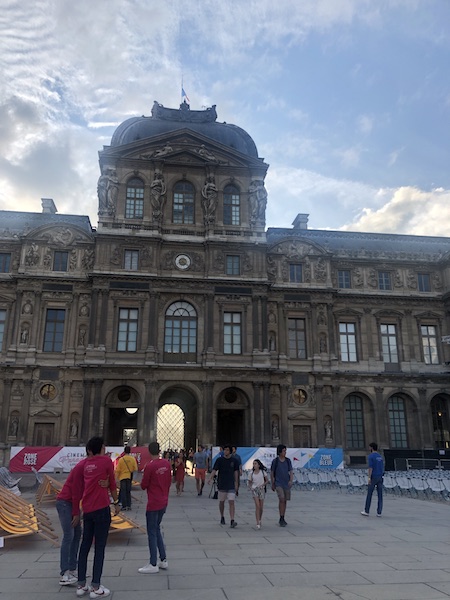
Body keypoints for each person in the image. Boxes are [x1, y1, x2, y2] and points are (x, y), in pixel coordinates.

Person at [76, 437, 120, 598]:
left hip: (87, 509)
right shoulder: (106, 461)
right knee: (99, 548)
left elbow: (82, 484)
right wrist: (116, 502)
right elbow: (113, 484)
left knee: (85, 546)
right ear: (101, 447)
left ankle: (81, 585)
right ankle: (95, 587)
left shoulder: (84, 464)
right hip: (101, 508)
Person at [139, 442, 172, 574]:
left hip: (153, 503)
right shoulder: (166, 464)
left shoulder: (150, 466)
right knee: (156, 529)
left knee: (151, 532)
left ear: (149, 451)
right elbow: (169, 481)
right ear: (159, 451)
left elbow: (143, 485)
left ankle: (153, 563)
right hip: (164, 501)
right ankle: (163, 559)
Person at [56, 458, 85, 586]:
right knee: (69, 535)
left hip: (73, 504)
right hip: (65, 503)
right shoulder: (81, 468)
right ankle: (64, 572)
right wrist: (76, 513)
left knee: (77, 534)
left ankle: (73, 568)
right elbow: (75, 492)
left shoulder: (90, 469)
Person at [208, 445, 239, 528]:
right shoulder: (219, 460)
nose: (225, 451)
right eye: (224, 450)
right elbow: (214, 470)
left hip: (231, 484)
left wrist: (236, 483)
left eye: (227, 450)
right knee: (221, 502)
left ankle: (232, 520)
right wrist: (210, 478)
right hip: (222, 484)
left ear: (230, 451)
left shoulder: (234, 461)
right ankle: (222, 516)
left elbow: (236, 472)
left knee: (231, 502)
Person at [270, 444, 293, 527]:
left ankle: (282, 517)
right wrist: (272, 483)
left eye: (285, 451)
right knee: (282, 499)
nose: (285, 452)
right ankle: (281, 517)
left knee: (285, 500)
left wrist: (291, 480)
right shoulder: (275, 461)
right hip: (278, 483)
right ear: (279, 452)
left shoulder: (288, 461)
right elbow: (272, 473)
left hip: (286, 483)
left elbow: (291, 471)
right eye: (283, 451)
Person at [361, 442, 384, 517]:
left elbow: (370, 468)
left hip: (374, 476)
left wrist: (369, 478)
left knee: (369, 494)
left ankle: (367, 511)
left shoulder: (371, 456)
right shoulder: (380, 456)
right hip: (380, 476)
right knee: (380, 495)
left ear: (371, 448)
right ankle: (379, 512)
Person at [115, 446, 137, 511]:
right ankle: (129, 505)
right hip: (129, 476)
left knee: (123, 491)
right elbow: (135, 468)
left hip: (122, 477)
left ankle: (124, 506)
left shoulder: (121, 459)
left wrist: (116, 478)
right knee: (128, 491)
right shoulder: (132, 459)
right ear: (130, 451)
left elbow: (118, 470)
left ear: (124, 451)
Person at [248, 459, 268, 529]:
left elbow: (267, 480)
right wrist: (250, 487)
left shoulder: (263, 472)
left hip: (261, 489)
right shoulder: (251, 473)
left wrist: (263, 485)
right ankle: (257, 522)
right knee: (257, 506)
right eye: (253, 464)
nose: (254, 465)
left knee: (261, 507)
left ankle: (260, 519)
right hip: (255, 490)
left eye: (255, 464)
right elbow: (249, 482)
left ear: (259, 465)